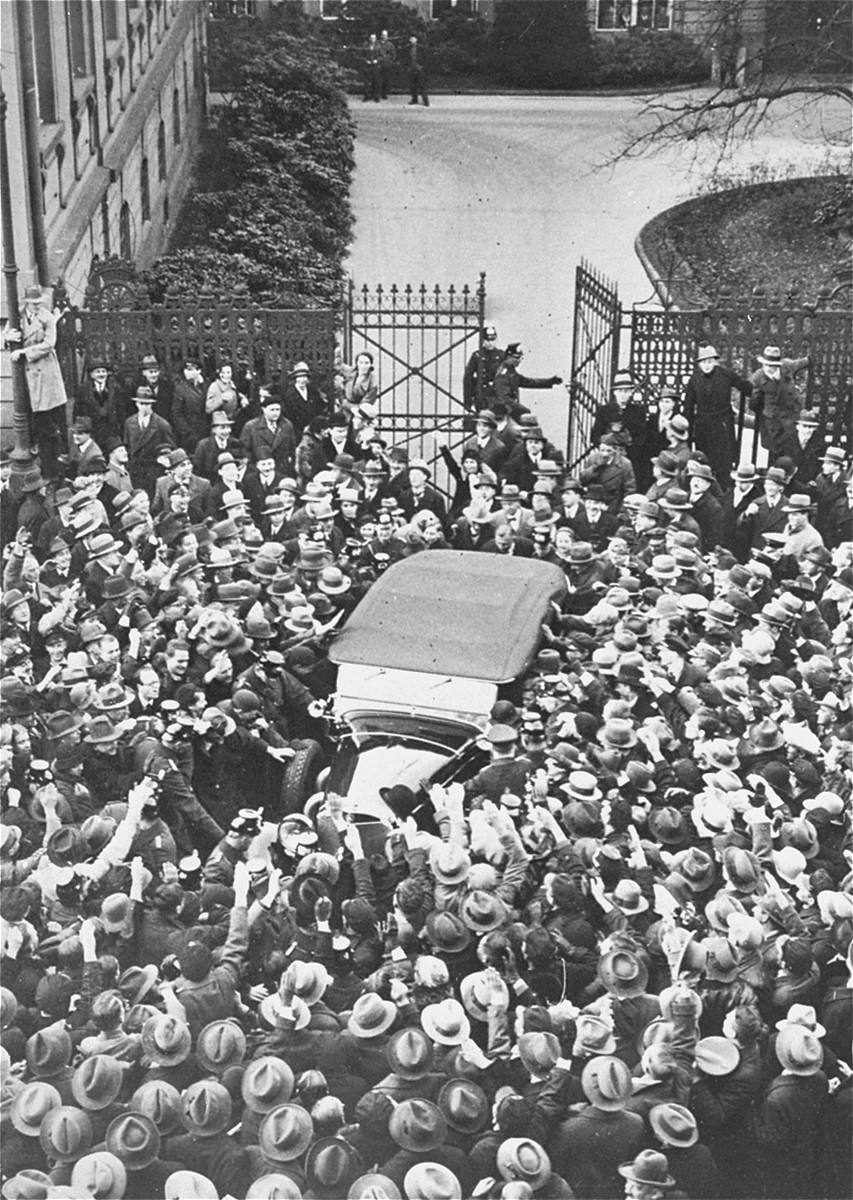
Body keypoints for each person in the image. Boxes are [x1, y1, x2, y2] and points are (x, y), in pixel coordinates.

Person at [6, 285, 68, 479]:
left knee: (47, 421)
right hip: (27, 375)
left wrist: (24, 352)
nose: (35, 306)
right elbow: (6, 334)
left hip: (45, 374)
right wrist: (6, 337)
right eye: (32, 303)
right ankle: (39, 460)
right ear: (26, 302)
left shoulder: (47, 317)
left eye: (38, 303)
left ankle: (53, 466)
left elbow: (49, 344)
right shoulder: (18, 316)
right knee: (32, 420)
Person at [684, 346, 752, 485]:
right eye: (703, 362)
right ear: (699, 364)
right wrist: (688, 432)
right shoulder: (695, 379)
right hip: (703, 425)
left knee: (723, 461)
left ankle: (724, 490)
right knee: (704, 460)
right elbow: (688, 406)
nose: (707, 365)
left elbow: (747, 388)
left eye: (709, 362)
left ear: (715, 362)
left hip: (722, 424)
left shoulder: (726, 375)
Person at [750, 346, 810, 461]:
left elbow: (805, 362)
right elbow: (754, 403)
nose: (767, 368)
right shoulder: (758, 377)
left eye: (771, 365)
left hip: (791, 415)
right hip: (773, 420)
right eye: (765, 365)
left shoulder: (787, 366)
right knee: (775, 450)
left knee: (793, 448)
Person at [493, 344, 562, 415]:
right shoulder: (503, 375)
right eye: (516, 358)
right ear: (508, 357)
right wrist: (521, 409)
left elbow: (528, 382)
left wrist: (550, 381)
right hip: (504, 414)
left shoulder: (511, 372)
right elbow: (504, 398)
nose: (519, 360)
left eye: (520, 357)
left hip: (510, 411)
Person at [463, 326, 504, 414]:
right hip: (482, 396)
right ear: (483, 341)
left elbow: (510, 377)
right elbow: (468, 378)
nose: (490, 343)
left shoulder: (501, 356)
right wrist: (468, 402)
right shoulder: (477, 356)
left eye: (493, 340)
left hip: (498, 396)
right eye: (487, 340)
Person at [407, 36, 429, 107]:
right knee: (413, 85)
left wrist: (422, 66)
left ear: (416, 40)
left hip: (419, 68)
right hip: (412, 68)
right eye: (411, 39)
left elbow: (425, 57)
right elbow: (405, 58)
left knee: (422, 85)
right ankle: (414, 99)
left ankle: (425, 100)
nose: (412, 40)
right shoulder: (408, 48)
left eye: (413, 39)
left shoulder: (420, 48)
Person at [363, 34, 382, 103]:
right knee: (367, 82)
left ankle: (376, 96)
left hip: (375, 66)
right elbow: (362, 55)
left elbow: (382, 56)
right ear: (369, 39)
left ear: (376, 39)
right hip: (367, 66)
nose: (372, 39)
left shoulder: (379, 46)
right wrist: (366, 60)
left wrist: (377, 60)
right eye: (371, 38)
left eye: (374, 38)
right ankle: (367, 96)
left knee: (376, 81)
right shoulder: (365, 46)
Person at [378, 29, 396, 98]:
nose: (384, 36)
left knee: (386, 80)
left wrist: (391, 62)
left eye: (385, 35)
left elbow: (393, 55)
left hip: (387, 65)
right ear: (381, 35)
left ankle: (384, 93)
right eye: (383, 35)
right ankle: (378, 93)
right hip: (379, 64)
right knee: (378, 80)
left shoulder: (390, 45)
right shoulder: (377, 43)